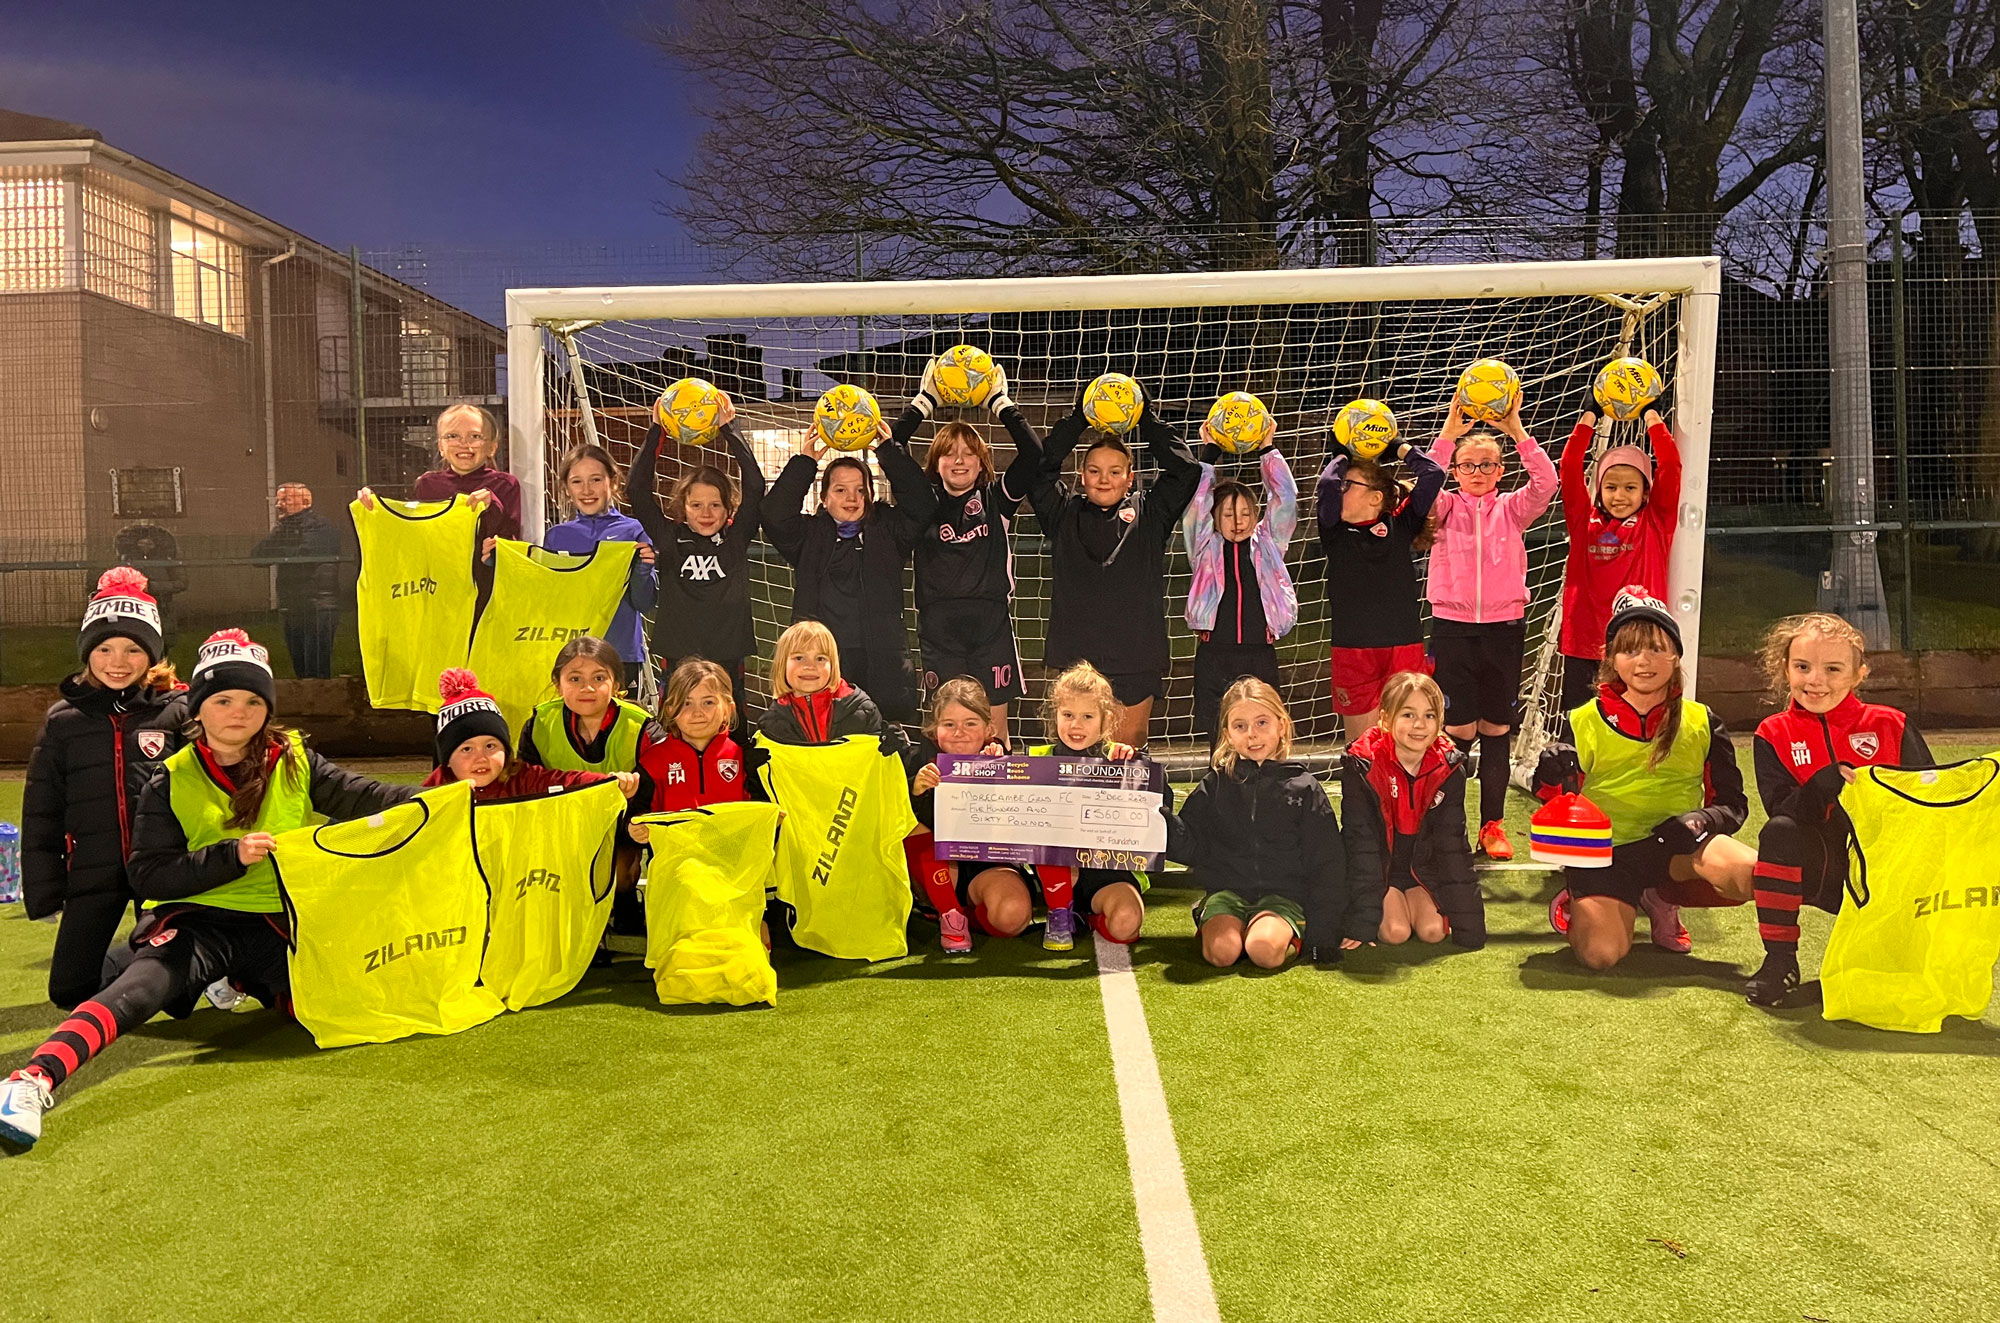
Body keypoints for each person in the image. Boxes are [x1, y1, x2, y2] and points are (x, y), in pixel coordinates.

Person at [0, 629, 417, 1151]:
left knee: (335, 1014)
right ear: (199, 707)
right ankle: (30, 1081)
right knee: (133, 994)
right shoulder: (169, 776)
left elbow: (369, 796)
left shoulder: (295, 759)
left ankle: (229, 982)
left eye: (251, 701)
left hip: (276, 927)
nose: (238, 713)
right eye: (222, 700)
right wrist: (230, 857)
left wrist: (447, 795)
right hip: (199, 924)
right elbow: (149, 875)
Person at [1535, 590, 1755, 971]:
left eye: (1656, 648)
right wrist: (1550, 771)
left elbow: (1734, 804)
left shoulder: (1702, 720)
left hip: (1677, 847)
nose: (1644, 661)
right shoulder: (1582, 720)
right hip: (1607, 857)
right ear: (1611, 659)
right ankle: (1583, 902)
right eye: (1630, 650)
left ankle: (1660, 897)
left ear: (1675, 655)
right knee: (1600, 955)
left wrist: (1703, 820)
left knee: (1752, 874)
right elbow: (1554, 801)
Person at [1743, 613, 1935, 1006]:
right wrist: (1821, 785)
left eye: (1833, 669)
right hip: (1828, 871)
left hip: (1890, 871)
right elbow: (1782, 809)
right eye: (1803, 667)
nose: (1816, 680)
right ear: (1786, 669)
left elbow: (1932, 802)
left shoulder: (1891, 724)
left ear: (1858, 674)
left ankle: (1920, 944)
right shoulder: (1773, 733)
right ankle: (1780, 962)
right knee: (1778, 831)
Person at [20, 569, 188, 1010]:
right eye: (105, 648)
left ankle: (183, 962)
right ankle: (136, 963)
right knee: (69, 993)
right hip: (94, 874)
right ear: (87, 653)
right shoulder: (63, 722)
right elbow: (42, 810)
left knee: (174, 997)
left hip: (163, 874)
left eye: (134, 649)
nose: (118, 661)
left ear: (152, 655)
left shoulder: (177, 714)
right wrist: (45, 888)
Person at [875, 359, 1041, 743]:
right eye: (950, 453)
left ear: (982, 462)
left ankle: (999, 802)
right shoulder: (923, 505)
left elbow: (1033, 455)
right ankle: (941, 801)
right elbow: (890, 448)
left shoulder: (997, 500)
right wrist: (925, 401)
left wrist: (1000, 402)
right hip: (939, 631)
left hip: (992, 627)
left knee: (995, 733)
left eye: (969, 452)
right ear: (936, 463)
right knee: (946, 731)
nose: (960, 460)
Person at [1028, 385, 1202, 749]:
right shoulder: (1063, 513)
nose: (1103, 479)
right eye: (1094, 470)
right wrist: (1079, 418)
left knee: (1127, 758)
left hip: (1135, 655)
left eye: (1114, 471)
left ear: (1130, 477)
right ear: (1082, 476)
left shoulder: (1150, 513)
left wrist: (1144, 417)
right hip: (1077, 658)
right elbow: (1037, 469)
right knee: (1077, 756)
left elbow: (1185, 469)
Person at [1425, 393, 1559, 859]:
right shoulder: (1443, 508)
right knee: (1458, 730)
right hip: (1453, 628)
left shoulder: (1513, 509)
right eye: (1468, 465)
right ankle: (1452, 827)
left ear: (1501, 471)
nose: (1478, 472)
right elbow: (1422, 487)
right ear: (1456, 471)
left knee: (1496, 728)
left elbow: (1547, 482)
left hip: (1504, 628)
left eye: (1487, 465)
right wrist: (1448, 434)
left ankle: (1492, 826)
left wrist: (1517, 430)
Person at [1166, 678, 1356, 969]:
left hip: (1283, 898)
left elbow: (1327, 863)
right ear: (1227, 734)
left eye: (1262, 723)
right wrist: (1159, 817)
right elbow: (1190, 845)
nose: (1252, 735)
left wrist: (1323, 933)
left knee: (1263, 951)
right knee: (1222, 953)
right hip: (1227, 893)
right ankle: (1216, 921)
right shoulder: (1215, 784)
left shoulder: (1304, 788)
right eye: (1240, 726)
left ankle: (1283, 934)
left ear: (1281, 725)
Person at [764, 422, 921, 723]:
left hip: (884, 659)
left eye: (860, 490)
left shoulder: (888, 530)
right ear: (824, 499)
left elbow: (922, 505)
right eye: (841, 490)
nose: (852, 498)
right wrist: (805, 463)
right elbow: (773, 513)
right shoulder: (809, 536)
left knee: (893, 741)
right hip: (824, 662)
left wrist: (889, 454)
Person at [629, 393, 765, 726]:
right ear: (683, 508)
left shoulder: (736, 538)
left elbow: (755, 484)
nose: (706, 513)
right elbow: (637, 490)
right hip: (678, 654)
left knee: (731, 729)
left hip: (728, 654)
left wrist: (729, 429)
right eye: (696, 505)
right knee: (675, 726)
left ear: (728, 509)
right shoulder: (670, 538)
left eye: (715, 505)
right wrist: (656, 431)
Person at [1339, 671, 1486, 950]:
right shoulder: (1363, 765)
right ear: (1385, 719)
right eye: (1408, 715)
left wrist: (1471, 929)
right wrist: (1362, 920)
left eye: (1429, 716)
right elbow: (1362, 845)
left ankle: (1410, 902)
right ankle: (1388, 904)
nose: (1419, 725)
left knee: (1433, 931)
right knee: (1396, 932)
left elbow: (1453, 846)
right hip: (1381, 870)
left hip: (1420, 871)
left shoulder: (1449, 768)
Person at [1315, 436, 1446, 743]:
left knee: (1409, 741)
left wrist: (1398, 445)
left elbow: (1433, 475)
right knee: (1361, 748)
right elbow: (1326, 486)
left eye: (1349, 485)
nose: (1340, 490)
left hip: (1403, 646)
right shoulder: (1334, 531)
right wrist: (1343, 453)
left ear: (1375, 498)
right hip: (1353, 648)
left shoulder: (1400, 525)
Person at [1025, 662, 1160, 951]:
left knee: (1125, 924)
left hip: (1109, 873)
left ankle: (1087, 918)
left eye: (1087, 716)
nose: (1076, 725)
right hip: (1060, 874)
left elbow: (1158, 813)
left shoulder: (1122, 760)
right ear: (1055, 715)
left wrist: (1136, 769)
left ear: (1106, 720)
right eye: (1068, 715)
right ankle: (1059, 912)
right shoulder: (1037, 762)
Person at [1556, 405, 1681, 715]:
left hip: (1638, 646)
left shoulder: (1656, 522)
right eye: (1610, 487)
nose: (1620, 496)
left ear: (1646, 492)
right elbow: (1570, 466)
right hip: (1584, 643)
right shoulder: (1584, 520)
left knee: (1638, 727)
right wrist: (1588, 415)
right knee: (1579, 734)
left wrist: (1651, 414)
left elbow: (1670, 464)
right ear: (1598, 489)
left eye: (1630, 487)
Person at [1181, 422, 1298, 745]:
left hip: (1259, 655)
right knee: (1217, 736)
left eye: (1245, 513)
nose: (1238, 521)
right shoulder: (1205, 547)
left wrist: (1267, 450)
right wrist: (1209, 455)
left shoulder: (1269, 543)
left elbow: (1285, 497)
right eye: (1228, 514)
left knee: (1264, 735)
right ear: (1215, 517)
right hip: (1214, 656)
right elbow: (1195, 506)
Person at [901, 676, 1029, 954]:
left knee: (1013, 917)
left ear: (988, 728)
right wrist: (915, 789)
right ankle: (948, 913)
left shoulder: (1001, 760)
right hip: (939, 868)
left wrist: (999, 774)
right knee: (907, 823)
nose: (959, 732)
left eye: (970, 723)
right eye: (949, 724)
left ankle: (966, 916)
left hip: (987, 866)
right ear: (935, 730)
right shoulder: (917, 762)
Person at [357, 403, 521, 591]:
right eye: (453, 436)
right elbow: (414, 531)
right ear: (441, 446)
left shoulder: (506, 484)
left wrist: (493, 509)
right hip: (439, 587)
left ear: (492, 447)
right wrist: (374, 507)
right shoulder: (427, 484)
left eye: (475, 436)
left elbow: (512, 543)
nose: (464, 443)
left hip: (487, 589)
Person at [421, 668, 637, 802]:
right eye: (467, 749)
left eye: (490, 746)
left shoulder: (520, 779)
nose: (481, 758)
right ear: (447, 759)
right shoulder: (434, 791)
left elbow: (565, 781)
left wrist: (607, 782)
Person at [542, 444, 658, 692]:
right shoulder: (556, 537)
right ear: (565, 488)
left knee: (621, 727)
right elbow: (548, 600)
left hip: (621, 653)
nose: (586, 490)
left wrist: (643, 569)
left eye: (596, 479)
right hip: (571, 653)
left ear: (613, 482)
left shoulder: (634, 531)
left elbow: (644, 602)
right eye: (577, 482)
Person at [755, 621, 910, 755]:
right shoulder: (771, 723)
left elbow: (887, 772)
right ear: (782, 664)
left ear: (833, 666)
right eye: (799, 658)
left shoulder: (862, 710)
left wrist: (899, 751)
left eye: (820, 658)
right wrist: (752, 774)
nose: (810, 666)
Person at [633, 658, 751, 817]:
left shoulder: (745, 759)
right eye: (686, 703)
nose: (697, 713)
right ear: (669, 710)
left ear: (728, 709)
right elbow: (636, 815)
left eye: (708, 702)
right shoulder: (653, 762)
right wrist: (632, 829)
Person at [249, 483, 343, 679]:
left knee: (316, 663)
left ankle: (321, 702)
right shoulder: (283, 529)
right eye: (278, 500)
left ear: (305, 502)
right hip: (291, 605)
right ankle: (306, 701)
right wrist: (284, 546)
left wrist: (281, 551)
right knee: (299, 662)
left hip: (318, 605)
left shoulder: (320, 526)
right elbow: (258, 557)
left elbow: (307, 555)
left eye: (285, 500)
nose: (278, 505)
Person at [114, 522, 186, 651]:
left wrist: (151, 587)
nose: (145, 547)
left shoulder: (167, 560)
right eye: (141, 544)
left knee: (162, 645)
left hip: (162, 607)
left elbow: (181, 583)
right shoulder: (127, 560)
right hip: (134, 607)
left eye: (149, 544)